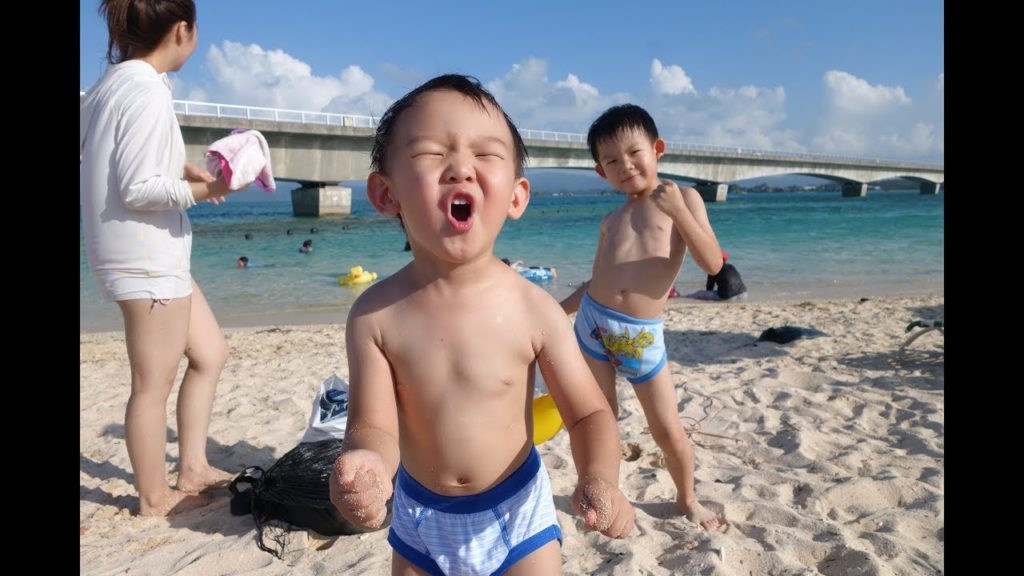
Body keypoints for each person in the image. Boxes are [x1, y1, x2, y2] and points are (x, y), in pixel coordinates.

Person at [329, 74, 634, 575]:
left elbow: (588, 416)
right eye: (431, 153)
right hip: (419, 517)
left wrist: (600, 477)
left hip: (518, 515)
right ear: (386, 194)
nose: (460, 168)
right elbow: (374, 425)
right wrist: (367, 466)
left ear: (516, 196)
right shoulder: (374, 314)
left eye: (485, 153)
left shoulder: (535, 310)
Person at [79, 0, 247, 517]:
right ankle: (153, 498)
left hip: (148, 256)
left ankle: (192, 467)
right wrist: (214, 186)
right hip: (146, 259)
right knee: (151, 388)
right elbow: (137, 188)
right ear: (182, 30)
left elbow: (114, 157)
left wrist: (185, 168)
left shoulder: (109, 86)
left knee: (211, 353)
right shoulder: (147, 91)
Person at [560, 104, 727, 531]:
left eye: (634, 152)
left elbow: (712, 264)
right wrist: (555, 311)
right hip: (592, 325)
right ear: (601, 172)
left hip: (641, 336)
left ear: (657, 149)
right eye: (611, 160)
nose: (625, 165)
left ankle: (688, 499)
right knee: (597, 419)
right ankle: (602, 493)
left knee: (667, 428)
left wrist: (679, 212)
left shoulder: (683, 198)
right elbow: (594, 280)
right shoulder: (610, 220)